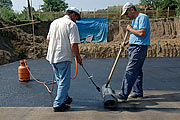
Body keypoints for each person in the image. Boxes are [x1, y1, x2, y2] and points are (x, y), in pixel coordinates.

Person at [46, 7, 83, 112]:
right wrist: (78, 57)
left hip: (52, 56)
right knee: (64, 81)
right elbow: (74, 44)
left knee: (59, 79)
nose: (76, 20)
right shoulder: (71, 25)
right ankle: (58, 104)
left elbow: (48, 40)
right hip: (63, 57)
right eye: (76, 18)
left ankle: (65, 98)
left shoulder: (54, 22)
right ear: (73, 15)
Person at [114, 2, 151, 101]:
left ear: (132, 10)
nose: (127, 16)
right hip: (134, 47)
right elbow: (135, 35)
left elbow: (141, 33)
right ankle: (137, 92)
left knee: (130, 70)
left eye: (127, 13)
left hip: (139, 48)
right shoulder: (135, 20)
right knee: (137, 71)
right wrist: (126, 43)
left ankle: (123, 94)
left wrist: (130, 29)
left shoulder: (143, 17)